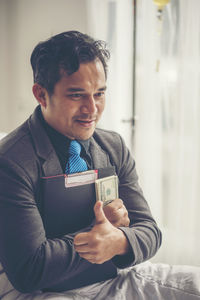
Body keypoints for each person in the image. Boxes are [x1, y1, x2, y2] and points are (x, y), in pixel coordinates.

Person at [0, 31, 199, 300]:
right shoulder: (11, 162)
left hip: (115, 277)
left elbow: (150, 231)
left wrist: (120, 241)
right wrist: (100, 236)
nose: (92, 109)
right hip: (44, 290)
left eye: (100, 93)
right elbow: (30, 269)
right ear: (41, 95)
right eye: (77, 95)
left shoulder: (113, 147)